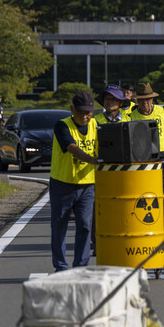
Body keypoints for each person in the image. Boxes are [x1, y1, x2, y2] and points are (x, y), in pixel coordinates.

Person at [49, 91, 102, 272]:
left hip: (87, 185)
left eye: (88, 112)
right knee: (59, 226)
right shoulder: (62, 126)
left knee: (85, 226)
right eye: (80, 112)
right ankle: (61, 266)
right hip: (63, 184)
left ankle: (81, 265)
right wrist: (91, 159)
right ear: (72, 109)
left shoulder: (95, 124)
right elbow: (71, 147)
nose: (85, 116)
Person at [130, 82, 164, 232]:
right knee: (145, 190)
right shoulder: (133, 115)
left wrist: (162, 144)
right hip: (144, 157)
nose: (145, 103)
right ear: (137, 101)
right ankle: (148, 218)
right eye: (141, 100)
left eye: (148, 99)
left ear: (152, 99)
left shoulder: (162, 112)